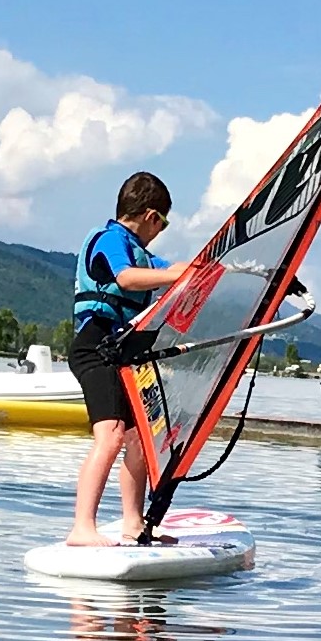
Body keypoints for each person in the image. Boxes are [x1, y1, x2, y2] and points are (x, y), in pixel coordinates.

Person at [63, 172, 194, 547]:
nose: (161, 230)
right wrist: (172, 276)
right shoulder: (109, 241)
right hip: (94, 348)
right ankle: (81, 527)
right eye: (164, 223)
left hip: (122, 352)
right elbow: (125, 279)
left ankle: (133, 523)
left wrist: (204, 270)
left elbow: (175, 268)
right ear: (152, 216)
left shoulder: (143, 252)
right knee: (111, 435)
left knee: (139, 440)